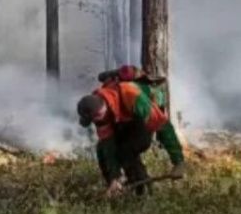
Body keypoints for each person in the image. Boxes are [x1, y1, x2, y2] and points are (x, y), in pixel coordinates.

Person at [77, 66, 184, 196]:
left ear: (102, 108)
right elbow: (108, 146)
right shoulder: (99, 114)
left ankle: (142, 191)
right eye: (94, 120)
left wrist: (178, 162)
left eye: (98, 117)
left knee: (126, 149)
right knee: (102, 150)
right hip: (126, 119)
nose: (98, 121)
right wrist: (114, 177)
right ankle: (117, 187)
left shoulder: (130, 94)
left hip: (143, 111)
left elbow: (160, 123)